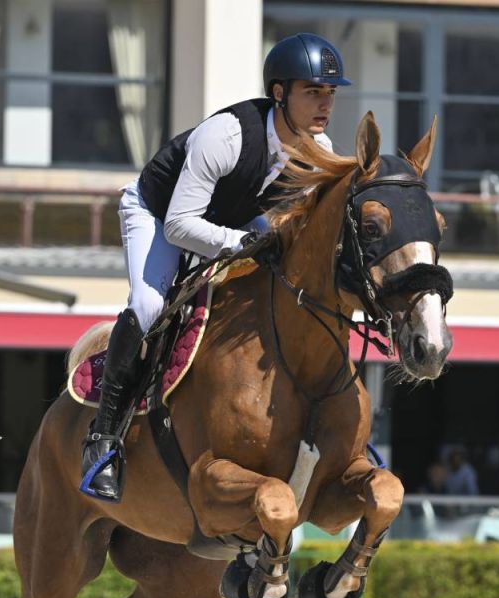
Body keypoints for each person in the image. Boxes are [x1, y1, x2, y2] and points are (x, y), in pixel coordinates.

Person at [80, 33, 351, 503]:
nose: (324, 104)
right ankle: (103, 441)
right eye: (313, 92)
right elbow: (182, 227)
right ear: (279, 92)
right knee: (148, 306)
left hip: (233, 215)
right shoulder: (225, 136)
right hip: (160, 212)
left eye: (329, 93)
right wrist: (246, 243)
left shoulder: (318, 145)